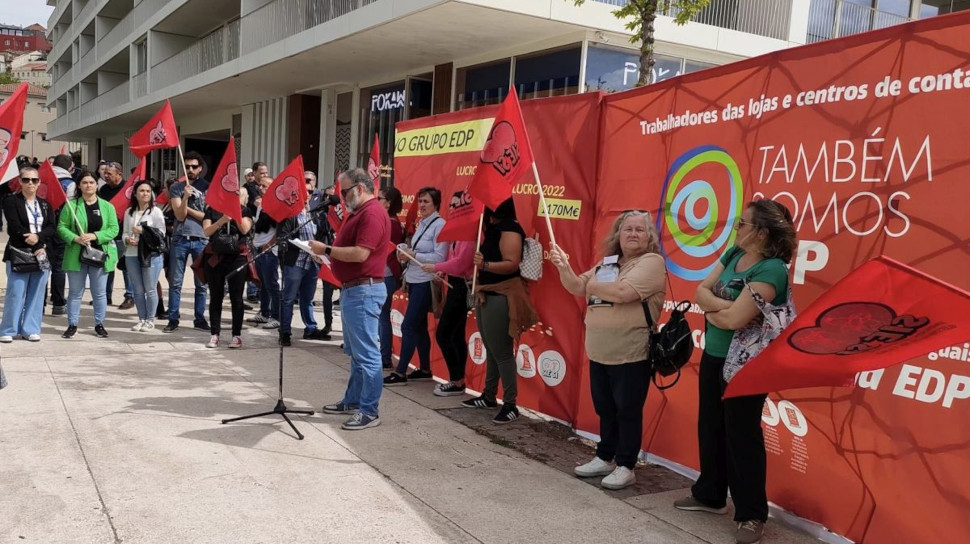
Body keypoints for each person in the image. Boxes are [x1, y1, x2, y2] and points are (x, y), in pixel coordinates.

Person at [673, 199, 797, 544]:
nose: (736, 229)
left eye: (742, 224)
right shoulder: (733, 254)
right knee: (710, 425)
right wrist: (720, 309)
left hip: (746, 364)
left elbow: (731, 319)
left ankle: (752, 514)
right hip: (714, 354)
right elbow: (699, 290)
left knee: (741, 435)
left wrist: (715, 309)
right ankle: (710, 495)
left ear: (760, 232)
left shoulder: (772, 270)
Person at [549, 210, 666, 490]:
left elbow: (624, 293)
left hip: (631, 352)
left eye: (640, 229)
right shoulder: (608, 262)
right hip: (600, 351)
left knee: (627, 410)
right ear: (618, 234)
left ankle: (626, 465)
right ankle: (604, 456)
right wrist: (564, 267)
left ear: (649, 236)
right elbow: (577, 286)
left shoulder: (652, 262)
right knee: (606, 408)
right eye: (628, 229)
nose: (634, 234)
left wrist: (591, 285)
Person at [311, 168, 390, 431]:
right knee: (356, 353)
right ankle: (354, 400)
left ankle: (369, 410)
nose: (341, 198)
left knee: (367, 354)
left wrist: (328, 250)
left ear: (359, 188)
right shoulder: (360, 213)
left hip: (363, 290)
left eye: (344, 192)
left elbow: (360, 254)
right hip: (354, 289)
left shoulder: (372, 213)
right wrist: (326, 255)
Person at [463, 198, 538, 424]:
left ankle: (510, 404)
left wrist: (485, 266)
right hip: (487, 293)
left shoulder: (509, 228)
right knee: (491, 347)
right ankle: (488, 395)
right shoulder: (494, 227)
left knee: (502, 352)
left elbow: (512, 263)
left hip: (502, 295)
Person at [383, 186, 447, 386]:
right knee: (418, 326)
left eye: (426, 202)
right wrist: (404, 251)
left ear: (436, 204)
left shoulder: (440, 225)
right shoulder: (422, 224)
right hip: (413, 278)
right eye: (420, 201)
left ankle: (401, 372)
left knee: (408, 325)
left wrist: (413, 255)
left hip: (426, 282)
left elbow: (439, 257)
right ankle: (425, 369)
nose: (422, 205)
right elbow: (415, 251)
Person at [424, 192, 476, 396]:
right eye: (452, 205)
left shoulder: (470, 232)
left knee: (445, 333)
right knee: (454, 334)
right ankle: (458, 380)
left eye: (458, 205)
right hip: (453, 284)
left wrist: (436, 265)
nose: (454, 209)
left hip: (462, 287)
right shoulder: (457, 231)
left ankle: (456, 380)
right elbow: (453, 261)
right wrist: (441, 270)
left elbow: (462, 263)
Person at [57, 171, 120, 339]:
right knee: (75, 292)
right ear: (79, 185)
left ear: (96, 185)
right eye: (84, 182)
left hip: (99, 255)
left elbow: (114, 229)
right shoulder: (71, 205)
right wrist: (75, 238)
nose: (88, 185)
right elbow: (62, 227)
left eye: (91, 182)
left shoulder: (107, 206)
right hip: (77, 255)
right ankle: (72, 324)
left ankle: (99, 324)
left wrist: (95, 236)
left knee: (99, 292)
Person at [0, 167, 57, 343]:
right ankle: (8, 329)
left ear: (39, 182)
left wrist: (39, 239)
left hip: (42, 255)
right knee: (16, 293)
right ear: (20, 182)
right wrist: (37, 244)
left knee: (37, 293)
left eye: (34, 180)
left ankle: (30, 328)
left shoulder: (45, 204)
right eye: (26, 180)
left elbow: (51, 227)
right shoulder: (11, 201)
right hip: (19, 253)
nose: (30, 183)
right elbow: (15, 227)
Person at [277, 190, 330, 346]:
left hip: (312, 263)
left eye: (309, 195)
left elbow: (321, 235)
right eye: (302, 195)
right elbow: (283, 237)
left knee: (308, 298)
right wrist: (299, 244)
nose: (306, 198)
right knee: (288, 298)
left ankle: (311, 328)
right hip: (296, 262)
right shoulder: (289, 216)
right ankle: (285, 331)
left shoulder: (315, 216)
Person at [200, 191, 253, 348]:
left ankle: (236, 335)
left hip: (237, 257)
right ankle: (214, 334)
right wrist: (222, 221)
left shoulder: (245, 210)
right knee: (216, 296)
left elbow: (245, 230)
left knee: (236, 297)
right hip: (215, 257)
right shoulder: (211, 210)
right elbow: (206, 231)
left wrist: (234, 215)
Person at [164, 151, 210, 333]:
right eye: (188, 166)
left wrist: (188, 207)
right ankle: (173, 318)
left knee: (201, 283)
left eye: (194, 166)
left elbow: (207, 216)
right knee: (175, 282)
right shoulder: (177, 187)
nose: (190, 169)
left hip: (201, 239)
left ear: (200, 168)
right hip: (180, 239)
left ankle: (199, 319)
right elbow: (179, 214)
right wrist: (184, 197)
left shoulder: (208, 187)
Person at [122, 180, 167, 332]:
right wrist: (127, 239)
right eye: (141, 191)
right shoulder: (129, 212)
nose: (145, 194)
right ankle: (141, 318)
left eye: (148, 191)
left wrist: (143, 231)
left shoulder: (156, 212)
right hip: (132, 254)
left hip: (150, 255)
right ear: (135, 193)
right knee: (138, 289)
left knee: (150, 288)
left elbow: (161, 233)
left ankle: (150, 319)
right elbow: (124, 233)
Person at [246, 175, 281, 329]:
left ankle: (276, 316)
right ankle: (264, 312)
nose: (260, 188)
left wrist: (269, 244)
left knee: (272, 284)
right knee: (263, 284)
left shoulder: (277, 205)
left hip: (269, 251)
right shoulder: (261, 205)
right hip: (258, 247)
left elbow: (280, 230)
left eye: (264, 186)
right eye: (259, 185)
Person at [98, 162, 135, 309]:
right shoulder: (103, 190)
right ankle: (105, 296)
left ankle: (130, 296)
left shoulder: (129, 189)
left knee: (126, 267)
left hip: (124, 235)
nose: (105, 176)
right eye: (104, 173)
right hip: (108, 235)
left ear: (119, 174)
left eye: (109, 174)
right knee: (107, 265)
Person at [378, 187, 404, 369]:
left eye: (380, 199)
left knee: (383, 317)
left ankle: (385, 356)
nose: (376, 201)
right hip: (383, 274)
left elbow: (388, 250)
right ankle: (384, 354)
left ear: (389, 202)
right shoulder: (388, 220)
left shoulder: (391, 222)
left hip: (387, 274)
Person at [47, 153, 75, 316]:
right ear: (69, 167)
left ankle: (40, 302)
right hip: (60, 228)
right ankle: (58, 304)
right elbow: (70, 209)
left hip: (42, 227)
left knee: (42, 266)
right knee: (58, 266)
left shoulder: (43, 179)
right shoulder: (69, 183)